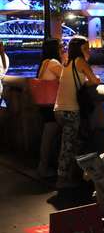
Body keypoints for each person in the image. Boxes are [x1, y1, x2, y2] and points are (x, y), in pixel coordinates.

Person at [54, 36, 100, 189]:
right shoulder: (80, 61)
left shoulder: (67, 62)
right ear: (80, 49)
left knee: (71, 143)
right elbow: (95, 80)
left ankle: (70, 175)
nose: (89, 51)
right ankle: (62, 180)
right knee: (68, 146)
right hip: (71, 110)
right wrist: (94, 78)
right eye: (86, 48)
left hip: (59, 109)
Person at [36, 38, 64, 177]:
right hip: (52, 105)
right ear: (55, 49)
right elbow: (68, 78)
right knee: (49, 137)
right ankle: (44, 167)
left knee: (48, 136)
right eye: (61, 47)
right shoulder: (53, 63)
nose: (63, 49)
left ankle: (44, 166)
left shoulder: (44, 62)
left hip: (44, 103)